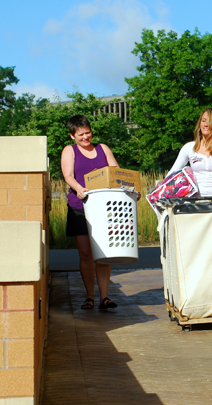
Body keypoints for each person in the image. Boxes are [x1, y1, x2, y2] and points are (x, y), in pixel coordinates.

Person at [61, 115, 120, 310]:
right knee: (86, 254)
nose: (86, 137)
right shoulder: (69, 151)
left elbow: (116, 172)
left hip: (105, 207)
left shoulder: (103, 149)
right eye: (81, 134)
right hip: (80, 207)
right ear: (72, 136)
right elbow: (68, 175)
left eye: (88, 132)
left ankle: (105, 297)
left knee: (104, 253)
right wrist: (79, 188)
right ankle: (89, 296)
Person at [167, 108, 212, 196]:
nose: (206, 124)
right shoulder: (189, 147)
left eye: (210, 121)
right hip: (194, 202)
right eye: (203, 121)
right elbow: (172, 173)